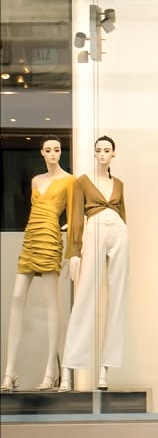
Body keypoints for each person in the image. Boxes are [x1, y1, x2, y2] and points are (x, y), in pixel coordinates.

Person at [2, 135, 75, 393]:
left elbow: (75, 218)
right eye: (48, 150)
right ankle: (10, 371)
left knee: (51, 304)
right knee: (17, 297)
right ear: (42, 153)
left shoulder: (70, 181)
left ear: (60, 152)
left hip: (50, 238)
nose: (53, 154)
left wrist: (73, 252)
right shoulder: (36, 181)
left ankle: (52, 370)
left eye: (57, 149)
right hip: (31, 236)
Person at [61, 136, 128, 392]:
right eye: (98, 150)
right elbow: (76, 216)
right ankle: (69, 368)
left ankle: (105, 371)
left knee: (118, 299)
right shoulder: (82, 182)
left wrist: (124, 232)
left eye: (107, 150)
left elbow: (123, 214)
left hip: (119, 233)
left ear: (114, 153)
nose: (102, 154)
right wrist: (74, 251)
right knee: (84, 298)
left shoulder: (119, 184)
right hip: (95, 230)